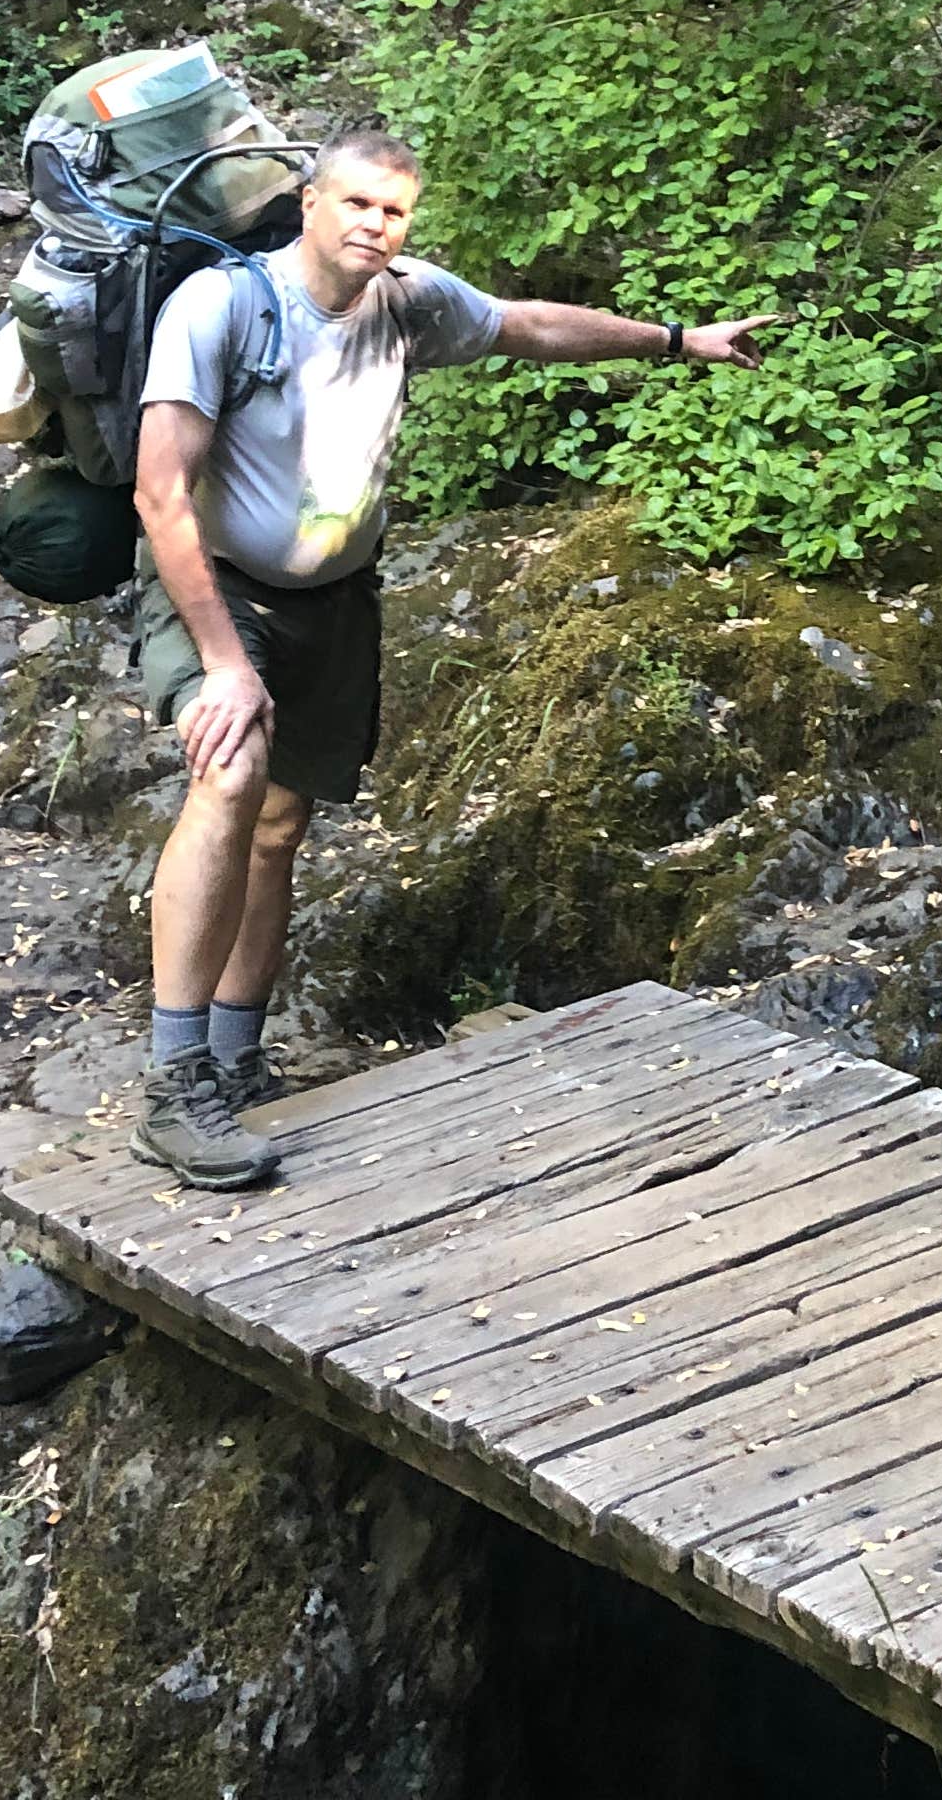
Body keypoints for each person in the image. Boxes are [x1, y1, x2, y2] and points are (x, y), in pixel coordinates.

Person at [121, 124, 766, 1187]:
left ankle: (234, 1060)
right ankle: (172, 1085)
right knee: (229, 776)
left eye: (396, 211)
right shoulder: (223, 307)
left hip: (333, 598)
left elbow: (528, 326)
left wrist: (677, 340)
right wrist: (226, 663)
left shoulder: (407, 301)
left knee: (279, 826)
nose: (377, 226)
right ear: (310, 203)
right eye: (359, 203)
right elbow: (161, 494)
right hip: (218, 588)